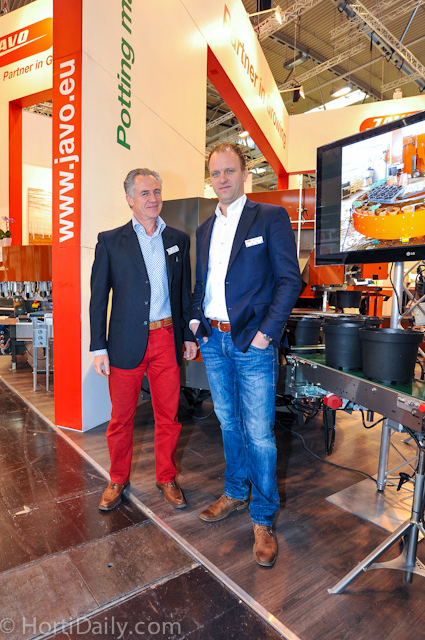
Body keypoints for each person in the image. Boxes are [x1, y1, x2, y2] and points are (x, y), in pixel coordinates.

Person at [191, 143, 302, 567]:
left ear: (244, 174)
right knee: (228, 422)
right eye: (215, 172)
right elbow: (203, 283)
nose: (222, 179)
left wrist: (265, 334)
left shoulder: (269, 217)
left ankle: (263, 517)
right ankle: (236, 492)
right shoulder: (205, 228)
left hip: (252, 343)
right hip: (214, 341)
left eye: (229, 171)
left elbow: (289, 281)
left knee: (259, 434)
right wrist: (196, 324)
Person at [90, 168, 197, 512]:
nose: (153, 199)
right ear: (129, 199)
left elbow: (182, 292)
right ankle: (117, 478)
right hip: (124, 342)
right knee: (121, 418)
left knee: (169, 415)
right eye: (145, 193)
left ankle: (166, 477)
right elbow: (98, 298)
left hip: (167, 338)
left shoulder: (178, 239)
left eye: (157, 192)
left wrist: (188, 335)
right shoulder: (110, 241)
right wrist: (99, 347)